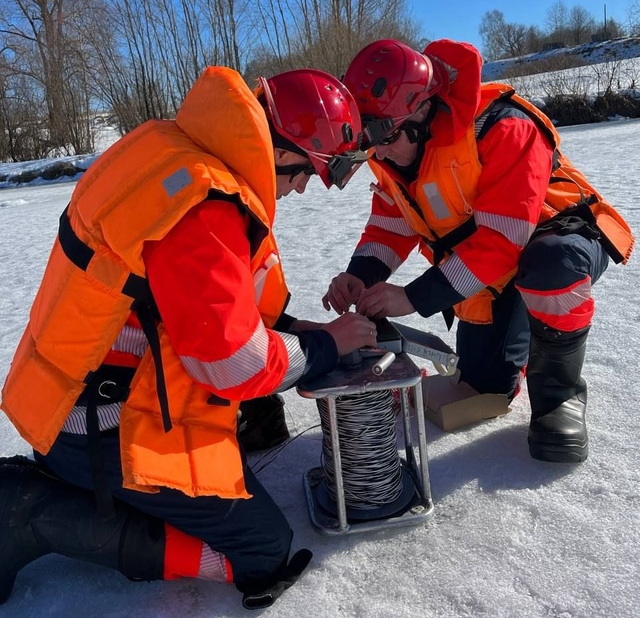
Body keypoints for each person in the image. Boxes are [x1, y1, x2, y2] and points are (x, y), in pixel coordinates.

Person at [0, 65, 376, 610]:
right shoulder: (204, 208)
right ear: (280, 147)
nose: (302, 187)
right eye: (309, 172)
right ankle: (32, 514)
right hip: (104, 429)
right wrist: (326, 348)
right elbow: (234, 365)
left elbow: (213, 307)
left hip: (67, 400)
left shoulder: (174, 152)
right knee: (263, 552)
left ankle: (74, 483)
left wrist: (302, 330)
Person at [324, 38, 634, 463]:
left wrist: (412, 298)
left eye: (383, 133)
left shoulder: (503, 126)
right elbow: (391, 224)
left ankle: (560, 397)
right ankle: (519, 337)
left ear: (420, 109)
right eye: (368, 137)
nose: (377, 150)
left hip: (558, 235)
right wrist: (360, 275)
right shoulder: (394, 152)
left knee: (549, 266)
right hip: (489, 268)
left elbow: (504, 241)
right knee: (487, 387)